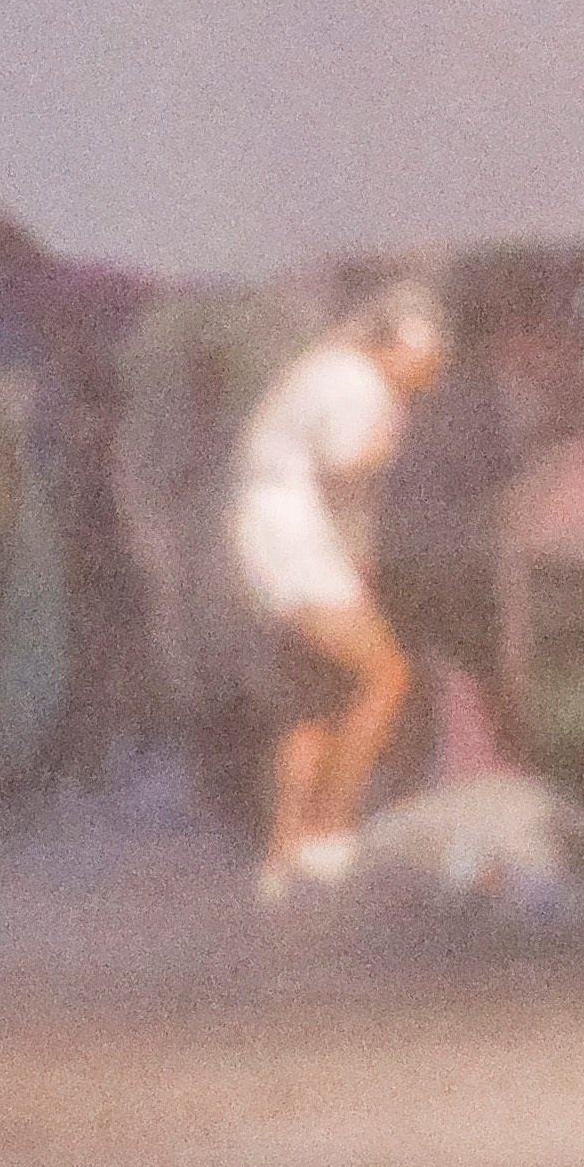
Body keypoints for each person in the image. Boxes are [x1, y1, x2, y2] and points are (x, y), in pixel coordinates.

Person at [232, 281, 447, 902]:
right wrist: (389, 440)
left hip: (272, 532)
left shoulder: (327, 366)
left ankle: (281, 856)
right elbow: (343, 465)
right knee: (386, 677)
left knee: (315, 697)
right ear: (402, 349)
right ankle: (329, 832)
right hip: (292, 535)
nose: (427, 381)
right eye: (424, 366)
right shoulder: (362, 384)